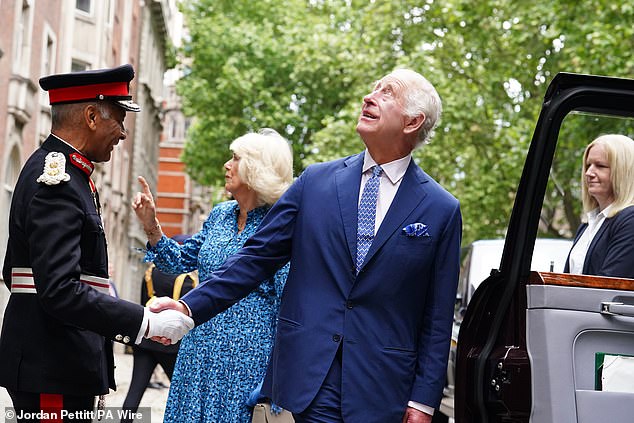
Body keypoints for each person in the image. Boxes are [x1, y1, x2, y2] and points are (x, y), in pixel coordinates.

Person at [149, 68, 462, 423]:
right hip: (311, 380)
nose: (369, 96)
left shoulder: (441, 209)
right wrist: (188, 309)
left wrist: (423, 401)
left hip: (384, 388)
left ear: (412, 121)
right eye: (373, 88)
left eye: (387, 92)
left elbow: (438, 318)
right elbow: (255, 258)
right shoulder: (315, 182)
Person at [0, 64, 193, 422]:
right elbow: (58, 289)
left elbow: (29, 277)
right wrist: (144, 323)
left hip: (57, 360)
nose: (122, 133)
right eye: (118, 119)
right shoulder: (56, 182)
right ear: (91, 116)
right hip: (52, 364)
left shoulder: (72, 176)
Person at [132, 129, 294, 422]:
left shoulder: (279, 224)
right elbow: (179, 261)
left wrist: (277, 378)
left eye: (235, 159)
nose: (226, 165)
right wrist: (152, 226)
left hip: (248, 360)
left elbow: (287, 304)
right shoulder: (220, 215)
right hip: (198, 349)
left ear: (255, 170)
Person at [120, 237, 198, 422]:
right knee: (182, 393)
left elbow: (141, 304)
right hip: (171, 344)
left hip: (145, 339)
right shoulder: (185, 279)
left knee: (135, 391)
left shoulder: (150, 272)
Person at [564, 134, 634, 278]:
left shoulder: (630, 220)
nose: (588, 173)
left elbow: (610, 284)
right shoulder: (588, 224)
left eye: (600, 166)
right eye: (588, 165)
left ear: (624, 172)